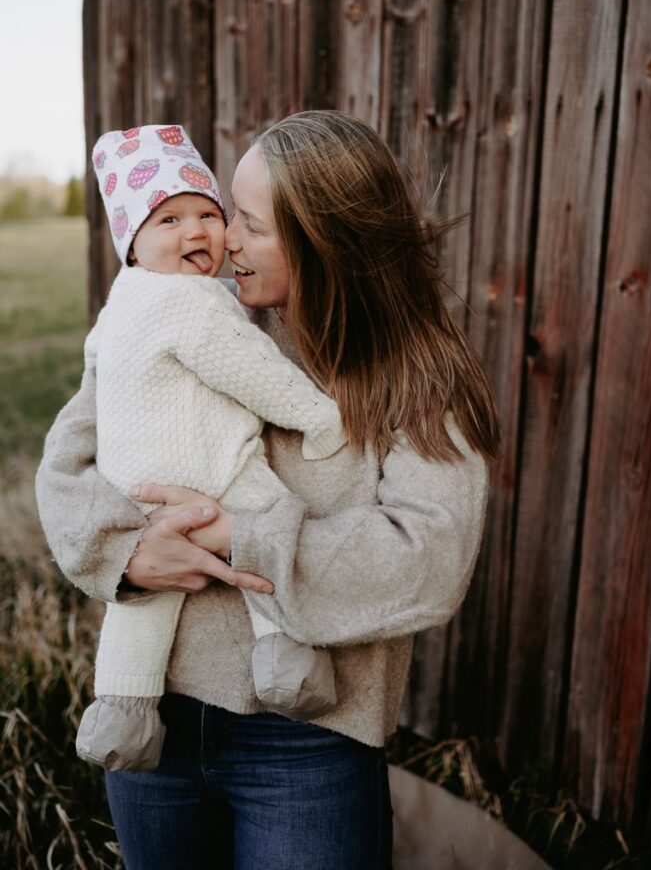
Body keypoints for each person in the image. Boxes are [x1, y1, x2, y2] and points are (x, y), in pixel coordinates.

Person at [36, 110, 499, 870]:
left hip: (310, 740)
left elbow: (426, 558)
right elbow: (64, 474)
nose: (221, 244)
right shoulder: (168, 310)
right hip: (155, 719)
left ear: (325, 240)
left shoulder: (416, 377)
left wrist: (235, 538)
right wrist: (127, 552)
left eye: (246, 225)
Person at [74, 124, 345, 773]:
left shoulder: (118, 305)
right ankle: (286, 652)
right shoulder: (190, 303)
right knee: (268, 521)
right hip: (206, 466)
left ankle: (122, 711)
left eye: (206, 214)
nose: (195, 232)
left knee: (142, 604)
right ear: (131, 242)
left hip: (136, 489)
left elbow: (96, 373)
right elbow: (253, 370)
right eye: (168, 219)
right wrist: (318, 417)